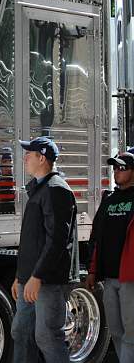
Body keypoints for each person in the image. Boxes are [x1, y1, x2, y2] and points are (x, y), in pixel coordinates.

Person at [10, 137, 77, 363]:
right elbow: (32, 240)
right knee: (21, 332)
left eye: (28, 154)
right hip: (29, 279)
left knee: (47, 337)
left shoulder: (56, 190)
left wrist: (37, 276)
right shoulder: (40, 189)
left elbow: (57, 240)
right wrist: (21, 277)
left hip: (46, 281)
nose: (24, 158)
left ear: (42, 157)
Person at [86, 152, 134, 362]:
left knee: (131, 335)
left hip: (130, 279)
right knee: (115, 331)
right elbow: (96, 237)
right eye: (115, 168)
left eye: (122, 168)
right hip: (109, 278)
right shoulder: (109, 200)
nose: (117, 172)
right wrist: (92, 271)